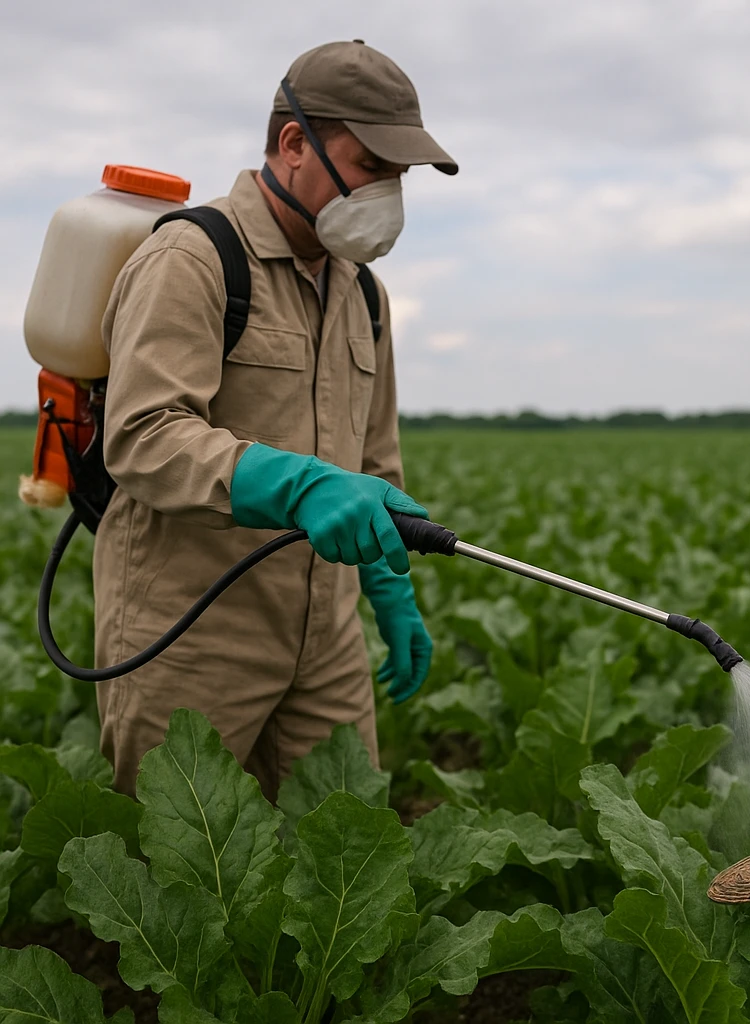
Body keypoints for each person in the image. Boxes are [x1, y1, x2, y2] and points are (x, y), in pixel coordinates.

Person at [92, 40, 457, 801]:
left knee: (349, 862)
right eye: (370, 167)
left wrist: (391, 590)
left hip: (327, 639)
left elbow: (376, 464)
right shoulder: (194, 258)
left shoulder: (363, 293)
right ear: (295, 144)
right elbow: (143, 433)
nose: (388, 194)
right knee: (180, 877)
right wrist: (296, 485)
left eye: (400, 177)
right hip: (192, 635)